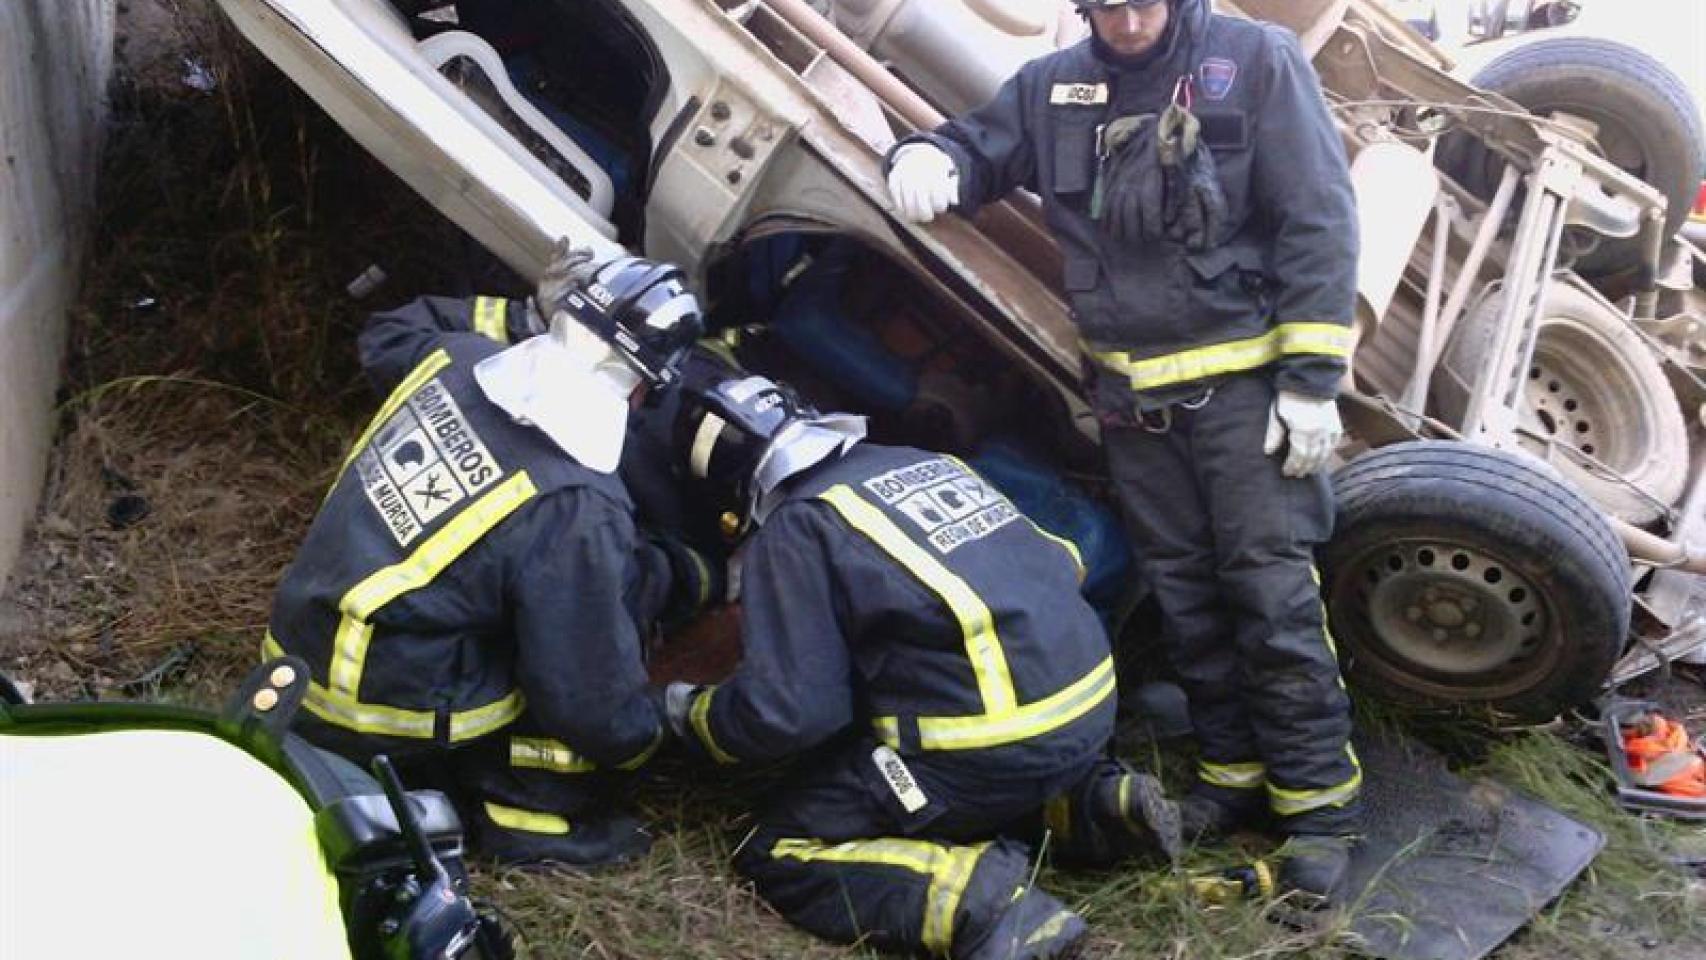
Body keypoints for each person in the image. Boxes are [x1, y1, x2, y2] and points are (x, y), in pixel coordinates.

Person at [883, 0, 1363, 898]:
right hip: (1134, 404)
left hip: (1244, 399)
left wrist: (1309, 380)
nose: (1130, 22)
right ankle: (1232, 775)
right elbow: (981, 146)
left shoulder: (1256, 62)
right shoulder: (1056, 86)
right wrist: (927, 155)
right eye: (1107, 6)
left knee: (1269, 595)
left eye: (1145, 3)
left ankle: (1319, 807)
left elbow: (1319, 217)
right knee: (1185, 593)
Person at [659, 374, 1182, 960]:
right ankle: (1093, 807)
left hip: (993, 742)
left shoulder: (799, 526)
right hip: (1087, 707)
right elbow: (1056, 557)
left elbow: (792, 714)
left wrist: (693, 717)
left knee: (779, 848)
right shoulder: (918, 463)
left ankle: (984, 904)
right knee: (981, 754)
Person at [265, 242, 703, 866]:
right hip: (375, 711)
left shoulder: (455, 358)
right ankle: (520, 807)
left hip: (295, 647)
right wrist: (642, 738)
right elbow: (584, 695)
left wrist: (518, 319)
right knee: (570, 664)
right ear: (643, 389)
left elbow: (392, 331)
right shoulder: (579, 502)